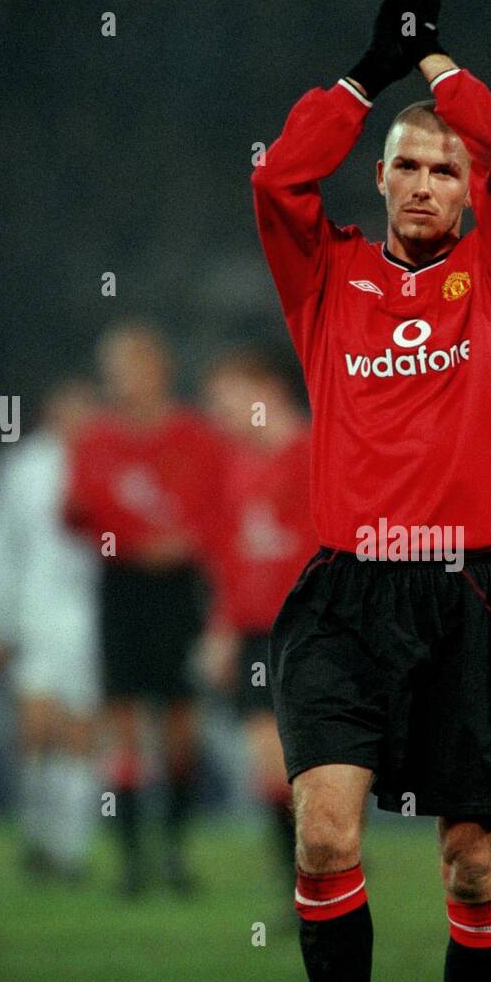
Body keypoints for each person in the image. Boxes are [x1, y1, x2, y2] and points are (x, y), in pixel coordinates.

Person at [251, 0, 491, 982]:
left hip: (470, 588)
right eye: (406, 163)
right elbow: (278, 173)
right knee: (323, 832)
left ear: (470, 189)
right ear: (375, 177)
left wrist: (435, 61)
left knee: (472, 863)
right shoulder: (327, 277)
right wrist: (367, 72)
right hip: (342, 589)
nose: (425, 181)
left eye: (443, 167)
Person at [64, 321, 223, 896]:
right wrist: (130, 541)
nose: (123, 378)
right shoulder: (95, 439)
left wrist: (185, 541)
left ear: (160, 368)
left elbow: (218, 507)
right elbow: (76, 513)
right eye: (115, 367)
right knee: (124, 719)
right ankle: (132, 861)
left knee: (180, 722)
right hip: (122, 586)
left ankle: (175, 850)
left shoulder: (196, 435)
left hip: (180, 588)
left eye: (133, 364)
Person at [200, 345, 318, 892]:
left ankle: (326, 876)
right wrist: (221, 629)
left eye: (225, 399)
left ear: (263, 389)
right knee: (270, 766)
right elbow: (228, 555)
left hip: (315, 630)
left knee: (319, 772)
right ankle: (299, 887)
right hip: (254, 636)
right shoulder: (234, 465)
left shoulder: (319, 453)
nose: (217, 412)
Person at [0, 379, 101, 880]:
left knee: (80, 732)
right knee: (34, 729)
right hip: (35, 614)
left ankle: (69, 848)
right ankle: (37, 836)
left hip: (93, 616)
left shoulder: (106, 461)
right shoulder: (24, 468)